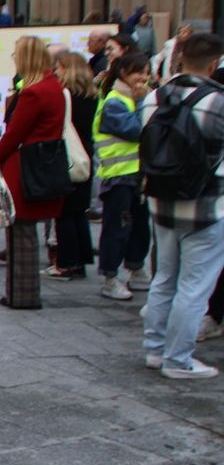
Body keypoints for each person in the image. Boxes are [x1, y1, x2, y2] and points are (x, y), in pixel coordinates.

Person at [140, 31, 224, 379]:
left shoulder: (153, 98)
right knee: (194, 286)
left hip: (161, 201)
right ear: (214, 63)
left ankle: (156, 350)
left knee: (164, 277)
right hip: (206, 205)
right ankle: (179, 359)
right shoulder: (217, 101)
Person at [0, 36, 66, 310]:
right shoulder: (53, 86)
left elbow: (14, 133)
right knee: (25, 233)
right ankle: (22, 293)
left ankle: (21, 294)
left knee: (20, 234)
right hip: (41, 164)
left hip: (24, 168)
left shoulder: (34, 92)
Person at [95, 52, 153, 301]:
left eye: (147, 72)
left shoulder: (134, 99)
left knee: (140, 226)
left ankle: (136, 268)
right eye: (138, 72)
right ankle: (110, 276)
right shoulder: (115, 101)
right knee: (117, 227)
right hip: (118, 176)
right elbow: (135, 129)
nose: (143, 78)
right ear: (123, 74)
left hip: (138, 175)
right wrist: (142, 103)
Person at [48, 51, 98, 281]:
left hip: (69, 154)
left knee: (65, 211)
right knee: (78, 212)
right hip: (85, 153)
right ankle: (81, 260)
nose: (55, 71)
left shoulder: (66, 94)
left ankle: (67, 263)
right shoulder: (91, 94)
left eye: (58, 67)